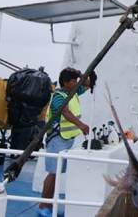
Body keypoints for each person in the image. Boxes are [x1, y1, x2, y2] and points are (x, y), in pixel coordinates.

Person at [38, 67, 93, 217]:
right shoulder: (58, 96)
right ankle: (43, 205)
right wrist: (81, 125)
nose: (76, 83)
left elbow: (89, 84)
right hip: (57, 139)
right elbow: (65, 112)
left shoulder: (72, 92)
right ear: (66, 82)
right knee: (52, 173)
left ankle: (49, 204)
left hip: (67, 139)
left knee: (57, 173)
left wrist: (79, 74)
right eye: (73, 81)